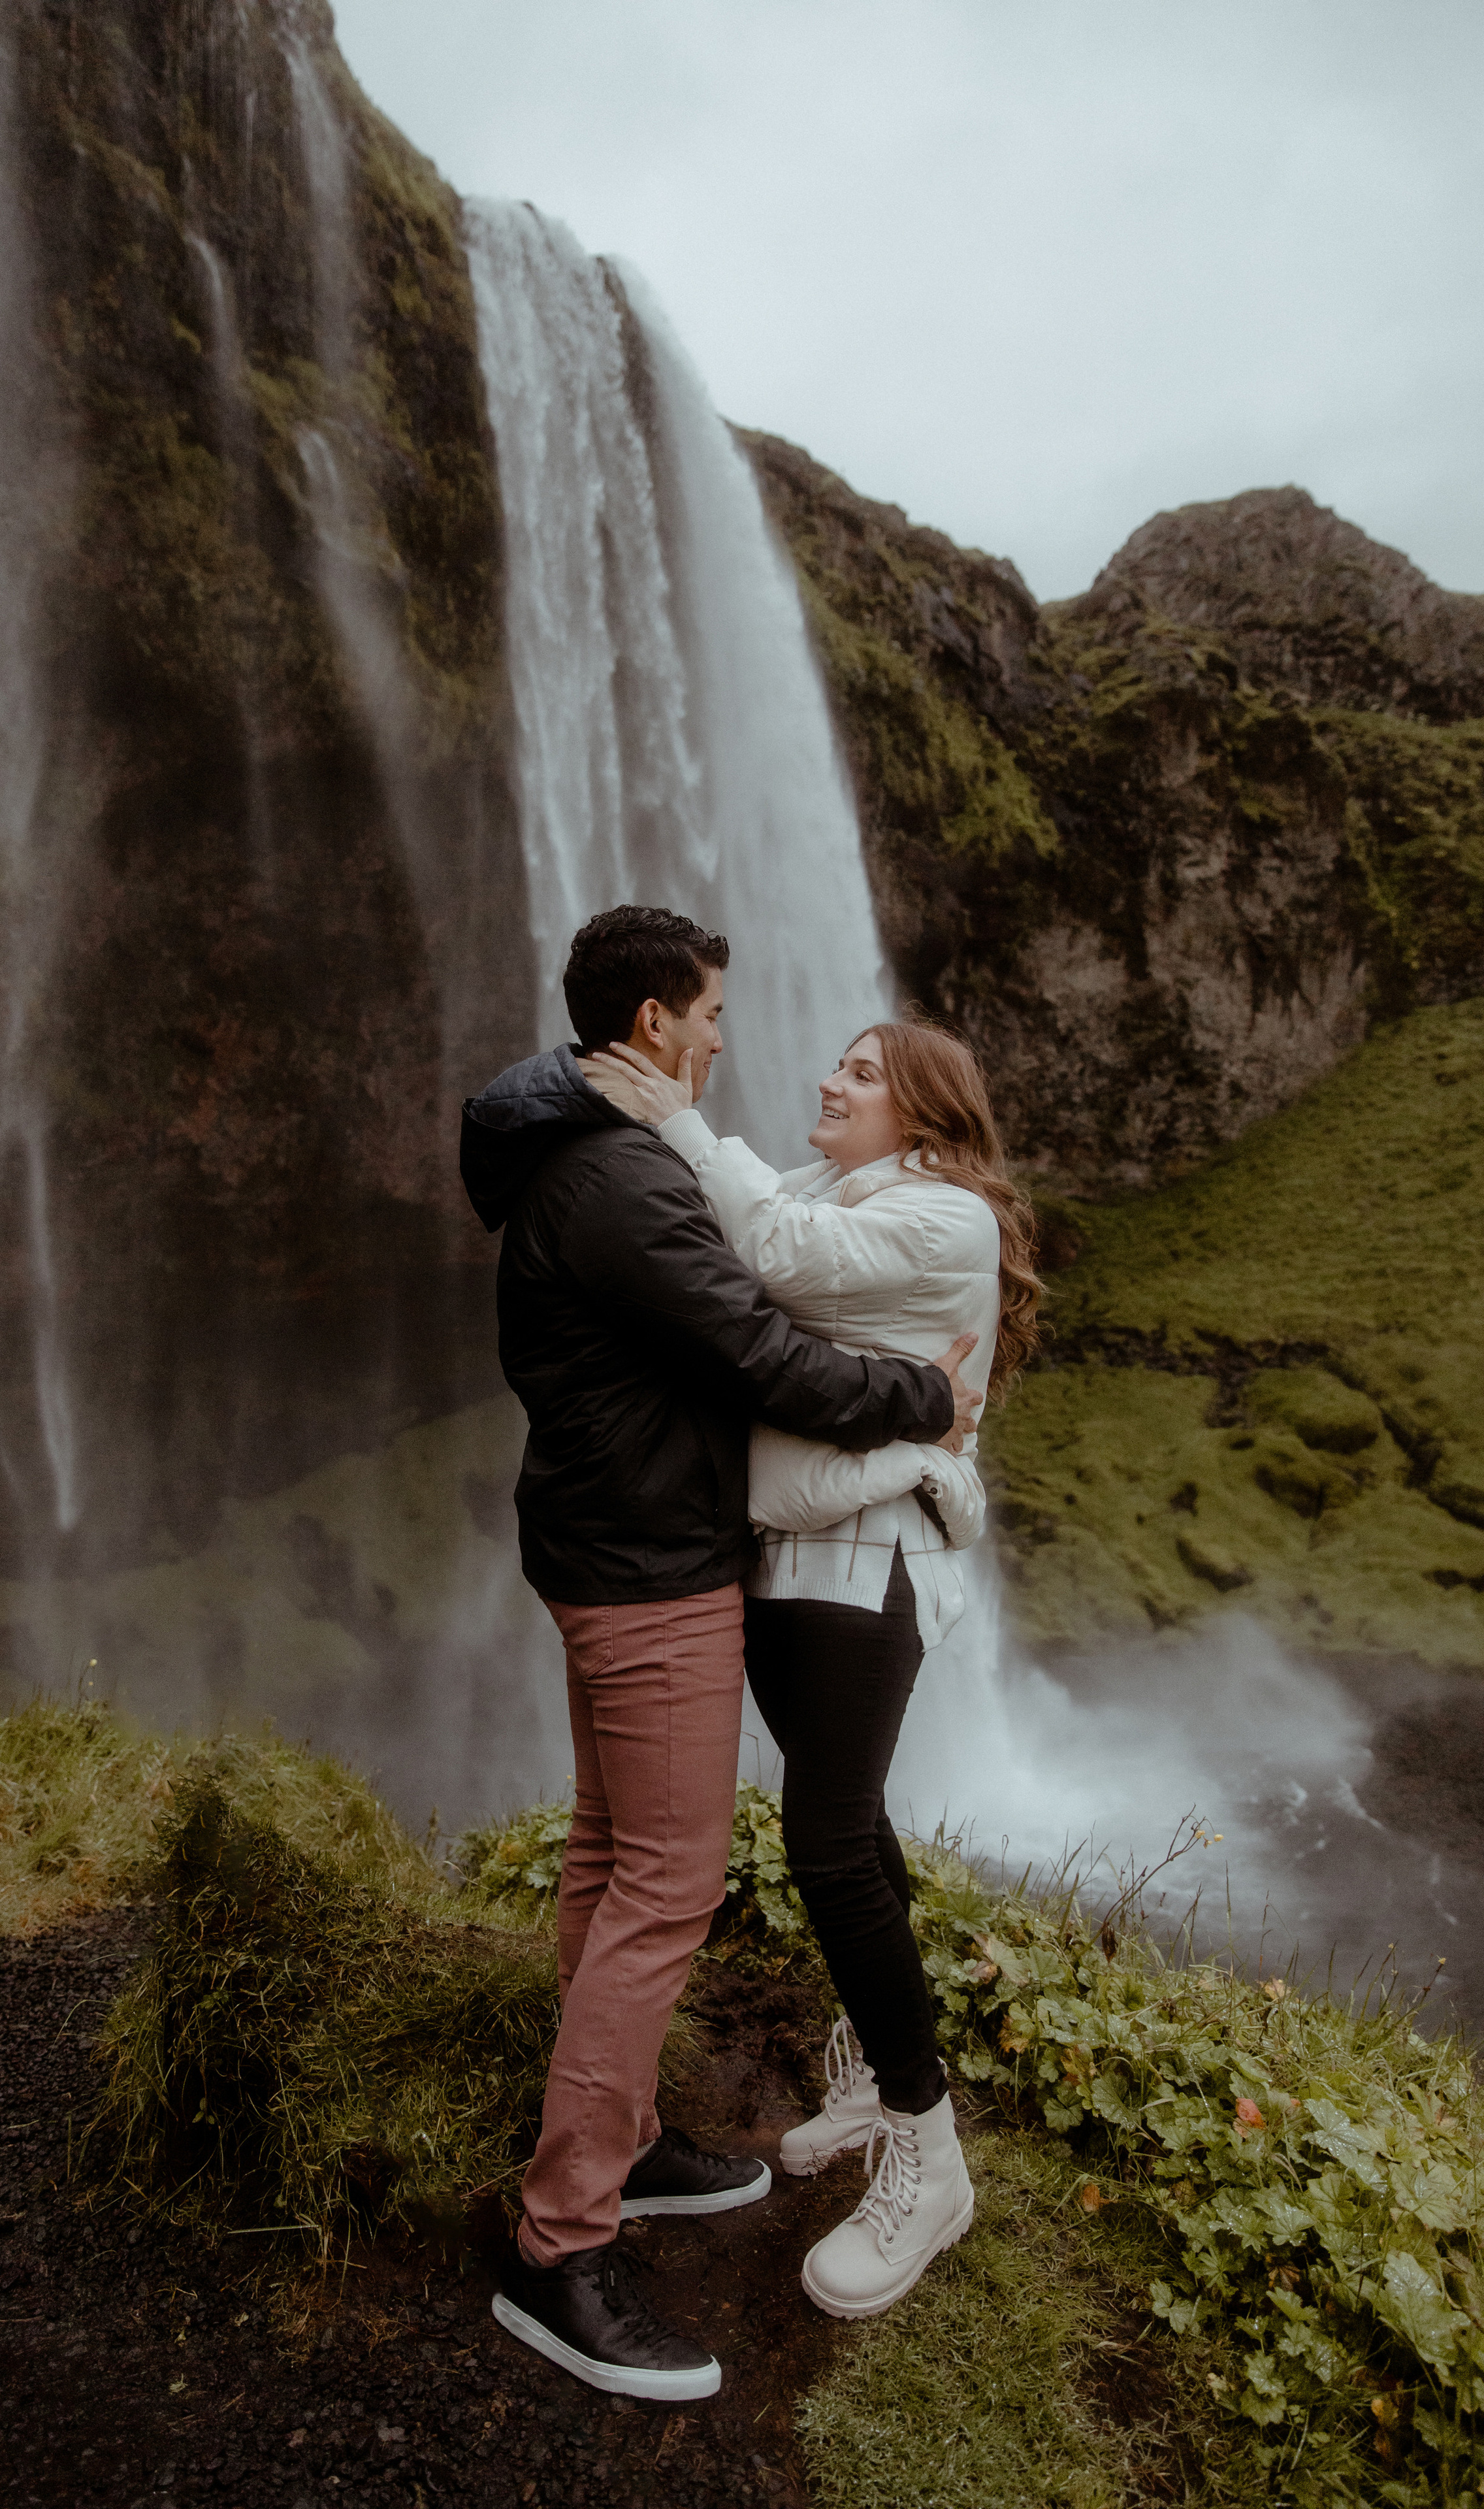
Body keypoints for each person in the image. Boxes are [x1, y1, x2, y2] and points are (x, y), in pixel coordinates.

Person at [459, 908, 981, 2401]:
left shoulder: (581, 1154)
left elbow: (745, 1313)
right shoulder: (625, 1176)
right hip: (653, 1570)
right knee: (666, 1888)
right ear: (644, 1025)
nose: (719, 1041)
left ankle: (616, 2146)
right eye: (704, 1015)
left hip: (605, 1545)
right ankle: (561, 2244)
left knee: (608, 1851)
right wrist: (917, 1404)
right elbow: (758, 1351)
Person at [581, 1013, 1041, 2320]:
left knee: (827, 1840)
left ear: (927, 1116)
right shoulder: (827, 1182)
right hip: (785, 1554)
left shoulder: (940, 1215)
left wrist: (671, 1111)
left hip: (863, 1558)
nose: (827, 1077)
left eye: (859, 1070)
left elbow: (776, 1258)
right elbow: (728, 1245)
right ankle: (870, 2077)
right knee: (847, 1828)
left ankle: (924, 2145)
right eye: (829, 1056)